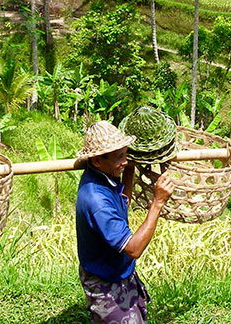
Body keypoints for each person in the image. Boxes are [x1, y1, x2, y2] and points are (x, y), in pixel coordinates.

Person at [75, 120, 175, 323]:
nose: (125, 161)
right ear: (97, 161)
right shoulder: (96, 200)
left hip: (119, 270)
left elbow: (122, 202)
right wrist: (157, 202)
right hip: (103, 280)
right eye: (120, 157)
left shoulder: (104, 176)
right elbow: (133, 249)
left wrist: (129, 170)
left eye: (126, 154)